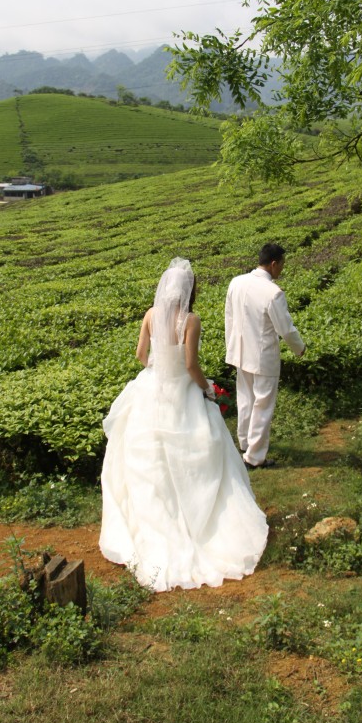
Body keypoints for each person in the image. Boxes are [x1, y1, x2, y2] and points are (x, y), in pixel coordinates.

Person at [99, 257, 268, 592]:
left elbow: (139, 354)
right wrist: (206, 389)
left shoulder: (150, 315)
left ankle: (154, 527)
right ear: (189, 291)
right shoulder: (191, 320)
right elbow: (191, 364)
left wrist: (154, 370)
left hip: (153, 387)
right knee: (204, 447)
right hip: (183, 391)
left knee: (146, 459)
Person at [225, 243, 305, 470]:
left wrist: (231, 349)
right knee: (263, 405)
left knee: (245, 399)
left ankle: (245, 442)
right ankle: (255, 456)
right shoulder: (273, 293)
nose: (282, 269)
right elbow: (286, 329)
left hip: (241, 352)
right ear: (273, 264)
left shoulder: (236, 282)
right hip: (263, 356)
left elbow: (229, 318)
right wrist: (299, 348)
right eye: (281, 265)